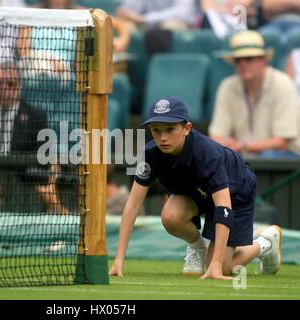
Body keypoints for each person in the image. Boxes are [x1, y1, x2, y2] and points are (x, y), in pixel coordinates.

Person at [109, 96, 283, 279]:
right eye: (156, 130)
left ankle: (265, 243)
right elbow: (132, 206)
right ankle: (198, 247)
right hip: (196, 190)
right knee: (170, 216)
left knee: (223, 268)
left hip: (235, 190)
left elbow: (224, 208)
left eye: (170, 129)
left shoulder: (207, 154)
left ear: (187, 129)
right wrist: (118, 260)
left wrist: (215, 265)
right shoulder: (150, 154)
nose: (163, 137)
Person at [209, 30, 300, 159]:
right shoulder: (227, 86)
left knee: (269, 156)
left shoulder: (283, 84)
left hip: (286, 161)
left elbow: (282, 142)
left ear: (264, 60)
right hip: (246, 157)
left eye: (248, 59)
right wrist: (235, 146)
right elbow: (216, 136)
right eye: (237, 60)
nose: (242, 64)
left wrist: (241, 145)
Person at [116, 0, 198, 31]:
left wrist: (145, 18)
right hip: (149, 25)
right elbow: (127, 9)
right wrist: (127, 13)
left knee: (169, 26)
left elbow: (182, 13)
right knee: (126, 26)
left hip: (182, 25)